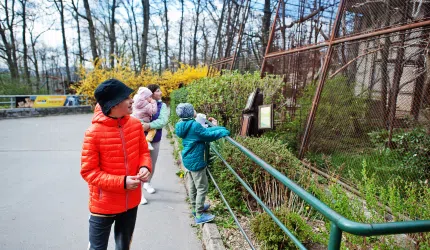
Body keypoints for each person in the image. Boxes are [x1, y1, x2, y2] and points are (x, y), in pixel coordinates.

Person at [80, 79, 152, 250]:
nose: (132, 100)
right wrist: (122, 182)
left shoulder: (135, 125)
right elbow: (89, 172)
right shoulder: (93, 133)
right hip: (103, 204)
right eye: (126, 97)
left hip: (130, 202)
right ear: (113, 104)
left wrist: (145, 167)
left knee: (123, 246)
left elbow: (144, 152)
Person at [174, 103, 230, 224]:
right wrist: (223, 132)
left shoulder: (182, 124)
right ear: (190, 113)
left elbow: (203, 131)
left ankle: (195, 207)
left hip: (188, 159)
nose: (195, 110)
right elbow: (207, 135)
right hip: (196, 161)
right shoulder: (194, 125)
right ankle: (199, 215)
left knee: (194, 186)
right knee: (202, 187)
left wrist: (219, 128)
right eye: (192, 109)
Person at [140, 84, 169, 203]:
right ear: (151, 93)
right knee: (140, 164)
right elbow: (135, 115)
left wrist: (149, 125)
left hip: (155, 139)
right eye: (158, 91)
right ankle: (138, 193)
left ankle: (147, 183)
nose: (161, 93)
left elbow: (163, 121)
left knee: (152, 163)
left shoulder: (162, 106)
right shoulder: (141, 103)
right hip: (139, 138)